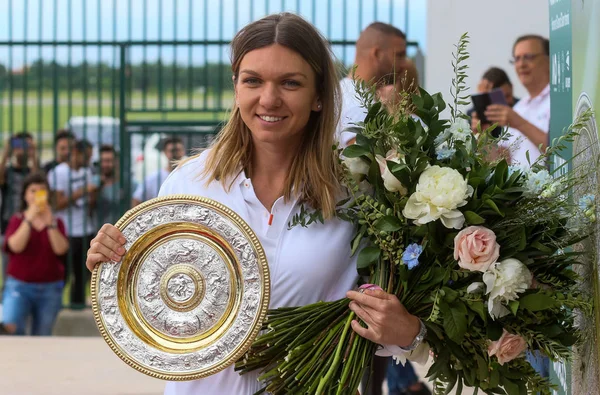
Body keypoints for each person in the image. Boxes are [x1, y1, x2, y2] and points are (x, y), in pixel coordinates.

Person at [85, 13, 424, 394]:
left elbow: (397, 323)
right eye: (253, 81)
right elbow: (157, 305)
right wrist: (115, 262)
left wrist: (408, 332)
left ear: (318, 96)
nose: (269, 99)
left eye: (290, 83)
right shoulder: (189, 184)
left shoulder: (357, 195)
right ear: (236, 87)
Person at [2, 172, 69, 335]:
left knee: (43, 334)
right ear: (25, 195)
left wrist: (50, 224)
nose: (37, 194)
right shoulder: (16, 220)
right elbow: (15, 246)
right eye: (33, 190)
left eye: (41, 190)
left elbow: (61, 249)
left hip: (50, 288)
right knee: (12, 327)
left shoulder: (57, 221)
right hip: (19, 286)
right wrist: (28, 220)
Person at [336, 22, 408, 148]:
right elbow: (364, 165)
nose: (404, 65)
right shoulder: (357, 106)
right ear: (377, 54)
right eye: (399, 55)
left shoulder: (344, 91)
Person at [483, 35, 550, 166]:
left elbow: (562, 150)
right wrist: (483, 135)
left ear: (548, 60)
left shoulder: (559, 101)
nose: (521, 64)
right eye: (517, 59)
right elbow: (501, 161)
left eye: (528, 57)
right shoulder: (519, 107)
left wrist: (519, 123)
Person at [48, 139, 98, 308]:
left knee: (82, 274)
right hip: (66, 230)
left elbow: (90, 203)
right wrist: (82, 192)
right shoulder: (59, 172)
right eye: (87, 157)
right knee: (64, 273)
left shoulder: (87, 171)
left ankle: (76, 306)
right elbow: (57, 203)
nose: (89, 161)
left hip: (85, 229)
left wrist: (93, 196)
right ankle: (55, 304)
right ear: (76, 152)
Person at [0, 132, 39, 289]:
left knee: (30, 264)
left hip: (31, 224)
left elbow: (39, 180)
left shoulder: (32, 172)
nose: (22, 149)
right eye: (19, 145)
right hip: (8, 225)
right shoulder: (7, 171)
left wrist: (33, 154)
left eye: (26, 145)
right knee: (8, 268)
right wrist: (7, 152)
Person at [131, 136, 185, 207]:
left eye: (178, 150)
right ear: (165, 152)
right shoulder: (153, 178)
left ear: (183, 151)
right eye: (172, 151)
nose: (175, 154)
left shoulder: (189, 175)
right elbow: (137, 199)